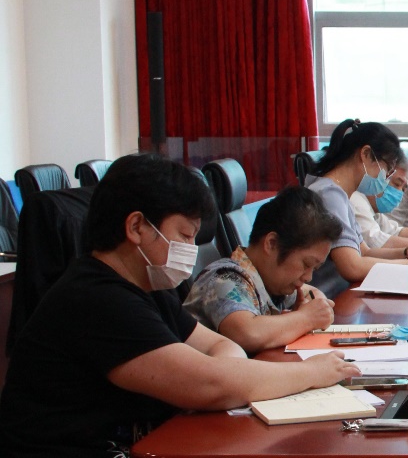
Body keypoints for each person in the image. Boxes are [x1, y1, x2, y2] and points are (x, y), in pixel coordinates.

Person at [0, 154, 360, 456]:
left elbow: (222, 349)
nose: (190, 248)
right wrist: (312, 373)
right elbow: (212, 384)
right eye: (185, 235)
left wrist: (222, 375)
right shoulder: (97, 298)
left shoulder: (147, 286)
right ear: (136, 227)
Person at [184, 187, 344, 353]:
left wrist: (314, 304)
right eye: (306, 264)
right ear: (272, 243)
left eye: (315, 268)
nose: (308, 277)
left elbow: (310, 293)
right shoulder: (223, 279)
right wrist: (306, 318)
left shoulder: (272, 280)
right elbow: (247, 333)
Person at [305, 119, 408, 288]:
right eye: (387, 170)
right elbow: (352, 267)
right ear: (365, 154)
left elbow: (365, 252)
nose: (385, 179)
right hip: (333, 293)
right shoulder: (330, 195)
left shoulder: (341, 194)